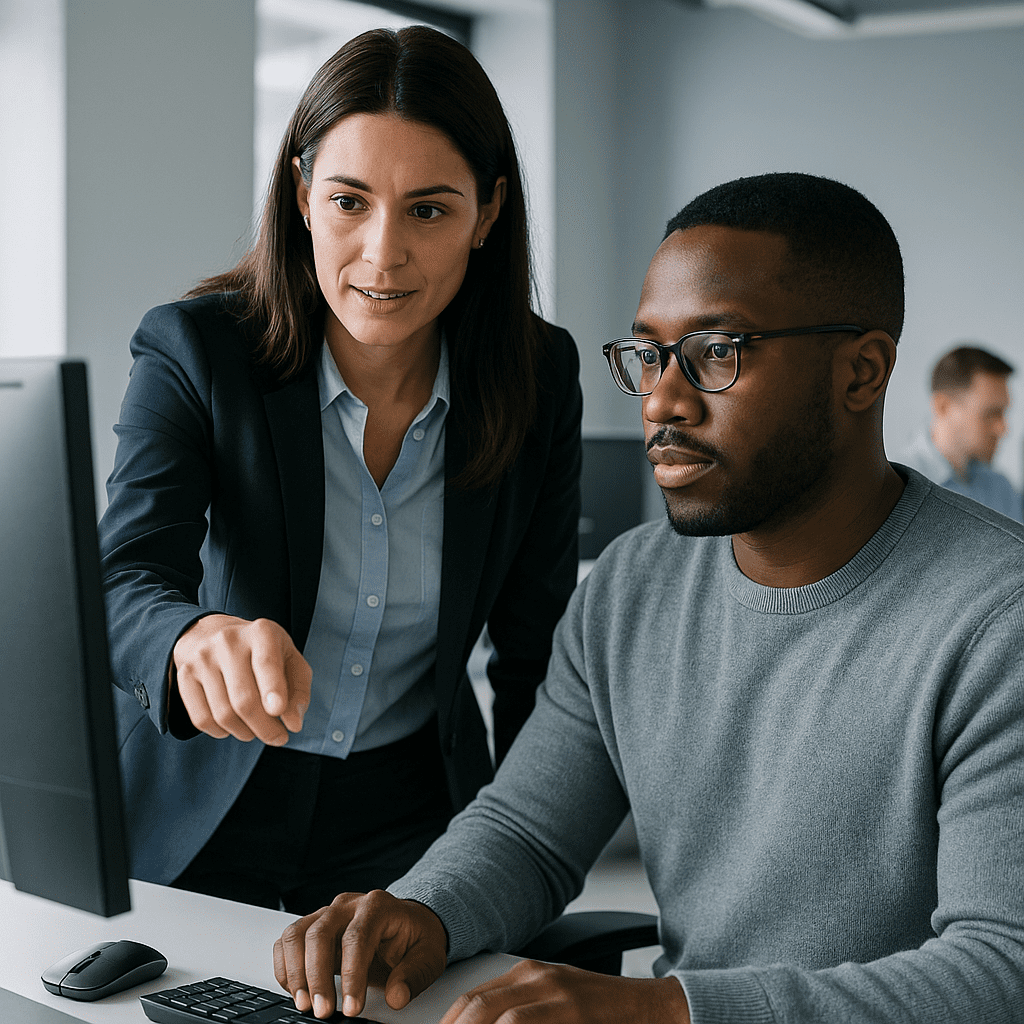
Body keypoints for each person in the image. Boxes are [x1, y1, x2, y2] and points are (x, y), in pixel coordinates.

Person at [272, 173, 1024, 1024]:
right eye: (650, 355)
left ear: (862, 372)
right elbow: (528, 832)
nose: (663, 400)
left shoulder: (998, 618)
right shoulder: (631, 586)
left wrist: (667, 1010)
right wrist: (426, 911)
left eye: (717, 353)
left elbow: (1002, 971)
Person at [98, 26, 582, 914]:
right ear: (301, 196)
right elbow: (123, 577)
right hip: (204, 796)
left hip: (413, 816)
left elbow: (536, 654)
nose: (381, 253)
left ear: (488, 214)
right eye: (349, 201)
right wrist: (188, 639)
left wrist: (527, 862)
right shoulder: (198, 349)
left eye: (429, 211)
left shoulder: (538, 376)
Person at [900, 345, 1022, 522]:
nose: (1003, 428)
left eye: (1003, 413)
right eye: (990, 413)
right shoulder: (897, 487)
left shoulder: (1001, 488)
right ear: (943, 406)